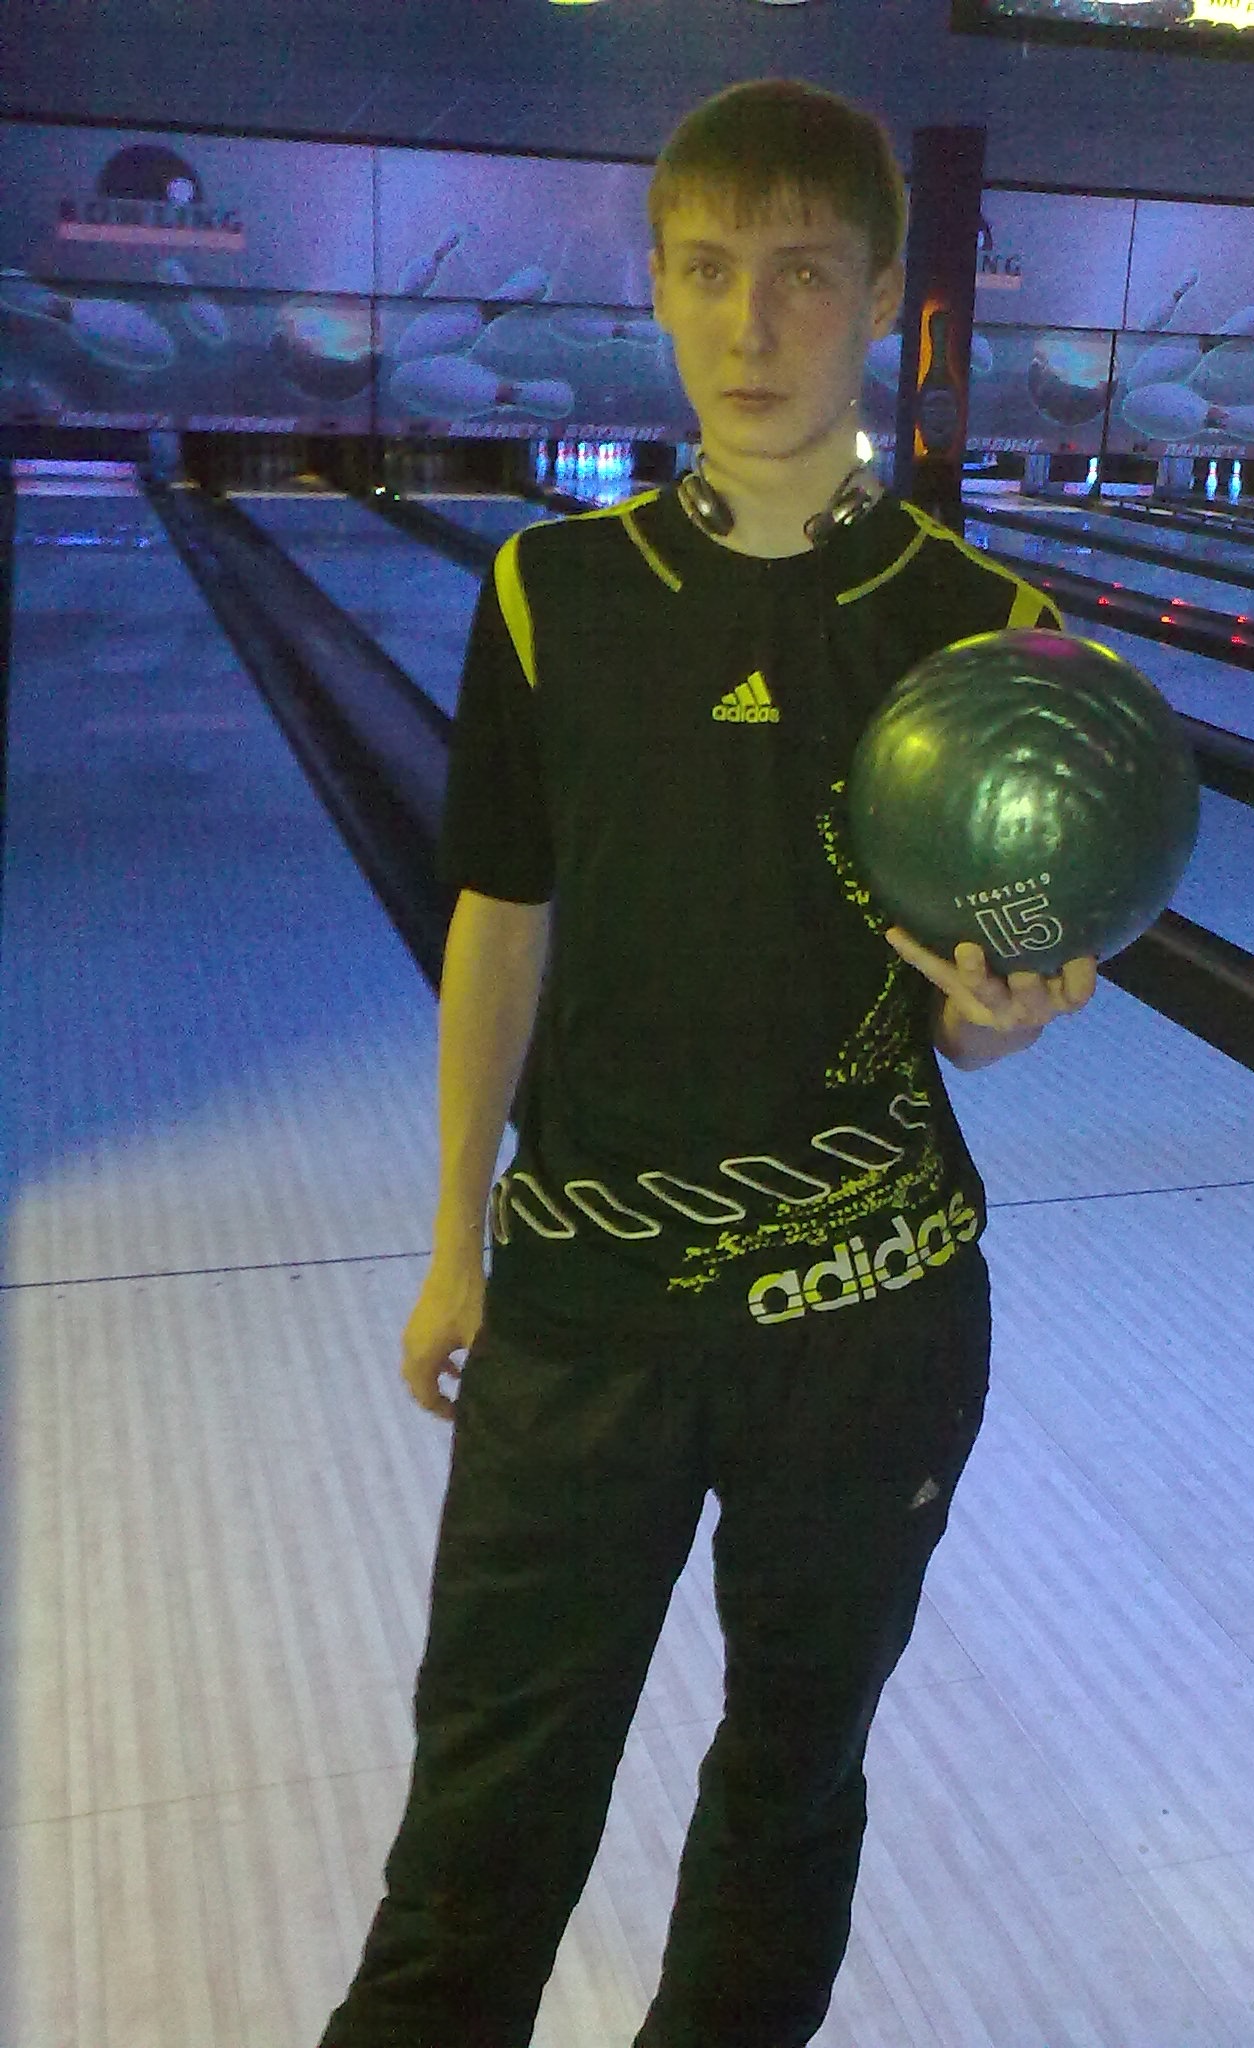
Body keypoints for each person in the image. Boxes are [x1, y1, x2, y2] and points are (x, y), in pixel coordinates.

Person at [317, 75, 1096, 2048]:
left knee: (791, 1780)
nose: (755, 326)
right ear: (658, 287)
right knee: (484, 1812)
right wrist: (455, 1240)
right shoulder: (550, 593)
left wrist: (998, 1022)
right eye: (711, 271)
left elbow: (963, 1010)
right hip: (588, 1304)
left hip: (875, 1311)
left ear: (884, 298)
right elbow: (502, 916)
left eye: (805, 274)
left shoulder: (985, 629)